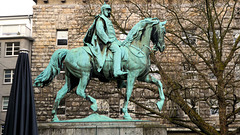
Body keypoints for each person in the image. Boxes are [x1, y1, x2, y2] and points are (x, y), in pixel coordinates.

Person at [84, 3, 128, 77]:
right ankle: (116, 71)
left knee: (123, 49)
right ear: (102, 10)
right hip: (103, 42)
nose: (109, 12)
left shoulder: (107, 20)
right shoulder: (100, 19)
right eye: (107, 10)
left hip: (111, 41)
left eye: (109, 10)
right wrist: (107, 40)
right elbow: (100, 31)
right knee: (117, 50)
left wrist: (117, 41)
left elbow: (111, 34)